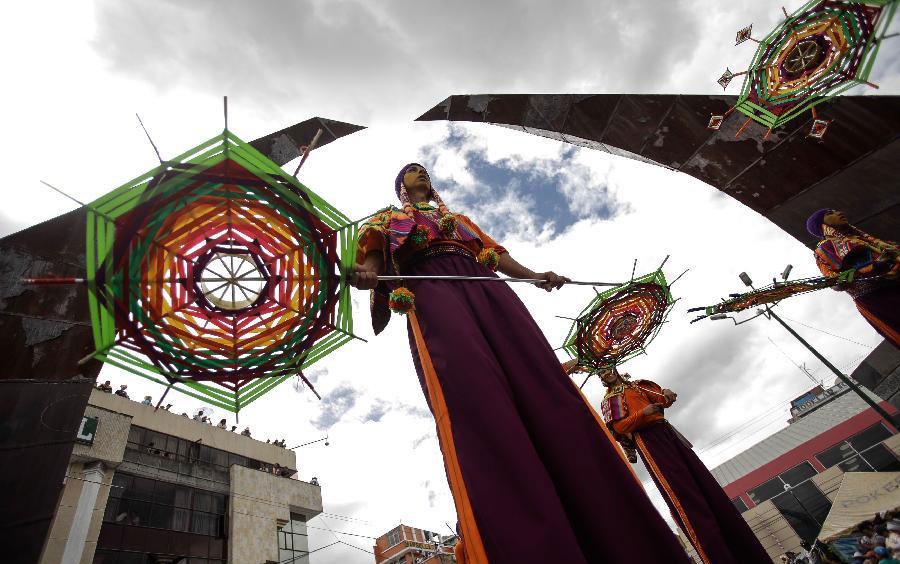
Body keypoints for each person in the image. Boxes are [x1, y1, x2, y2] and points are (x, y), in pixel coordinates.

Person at [348, 163, 694, 564]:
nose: (421, 175)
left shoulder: (457, 220)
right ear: (400, 187)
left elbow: (495, 257)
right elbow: (374, 259)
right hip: (432, 288)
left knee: (539, 377)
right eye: (412, 172)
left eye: (425, 170)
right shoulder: (387, 219)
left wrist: (535, 276)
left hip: (486, 287)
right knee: (472, 385)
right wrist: (367, 274)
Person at [597, 365, 771, 564]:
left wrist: (666, 395)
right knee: (684, 495)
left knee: (706, 486)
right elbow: (619, 427)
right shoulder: (610, 400)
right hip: (649, 441)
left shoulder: (638, 385)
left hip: (667, 433)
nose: (605, 374)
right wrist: (643, 414)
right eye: (600, 373)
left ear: (616, 369)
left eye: (607, 369)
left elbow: (661, 401)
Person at [806, 209, 900, 347]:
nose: (838, 212)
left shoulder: (857, 237)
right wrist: (875, 266)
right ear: (822, 225)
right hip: (877, 296)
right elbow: (835, 282)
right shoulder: (825, 248)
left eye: (835, 210)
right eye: (829, 214)